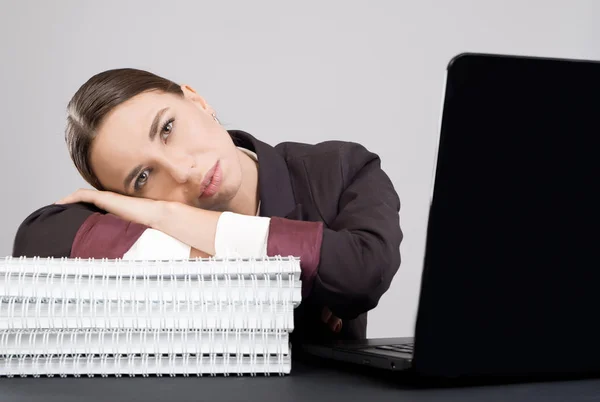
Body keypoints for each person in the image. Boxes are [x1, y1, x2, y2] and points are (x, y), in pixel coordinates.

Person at [12, 68, 403, 346]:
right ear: (128, 201)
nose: (183, 171)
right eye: (144, 177)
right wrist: (296, 270)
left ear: (196, 100)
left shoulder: (339, 169)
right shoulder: (136, 217)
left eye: (167, 128)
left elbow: (363, 273)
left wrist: (175, 218)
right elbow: (35, 239)